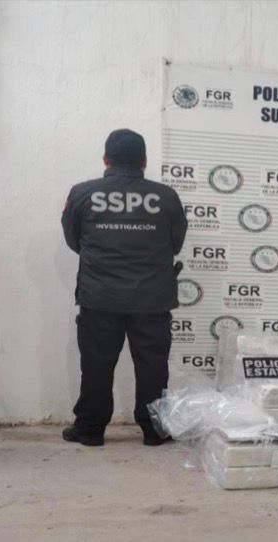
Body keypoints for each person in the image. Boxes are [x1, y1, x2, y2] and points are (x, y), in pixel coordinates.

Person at [61, 129, 187, 446]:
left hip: (99, 296)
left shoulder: (82, 193)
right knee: (153, 368)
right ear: (144, 161)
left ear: (106, 159)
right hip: (152, 298)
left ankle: (90, 429)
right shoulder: (166, 197)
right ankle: (155, 430)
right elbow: (176, 243)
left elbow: (74, 241)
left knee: (96, 366)